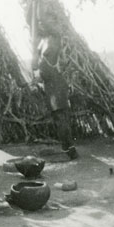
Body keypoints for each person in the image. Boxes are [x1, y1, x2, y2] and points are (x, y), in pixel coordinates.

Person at [32, 18, 78, 160]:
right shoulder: (42, 42)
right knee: (59, 119)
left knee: (61, 118)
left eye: (43, 23)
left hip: (56, 85)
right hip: (49, 86)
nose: (41, 25)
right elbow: (36, 65)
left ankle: (70, 150)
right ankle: (68, 149)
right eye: (39, 24)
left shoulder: (54, 39)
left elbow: (40, 63)